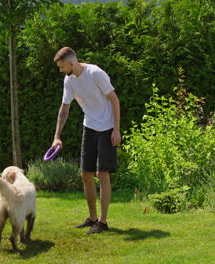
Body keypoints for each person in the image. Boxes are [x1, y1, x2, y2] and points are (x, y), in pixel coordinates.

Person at [51, 47, 121, 234]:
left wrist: (116, 129)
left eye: (62, 66)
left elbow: (114, 99)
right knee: (86, 174)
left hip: (106, 127)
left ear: (72, 63)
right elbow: (64, 108)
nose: (60, 70)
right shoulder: (69, 81)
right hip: (89, 126)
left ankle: (103, 222)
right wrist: (57, 136)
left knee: (102, 173)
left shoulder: (95, 73)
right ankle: (92, 218)